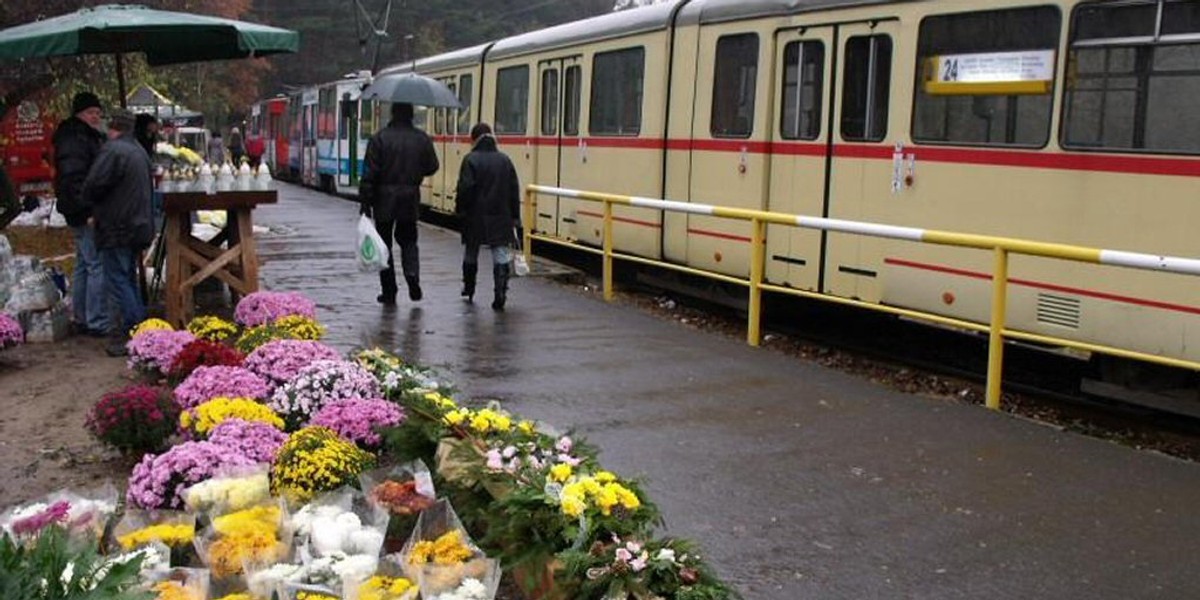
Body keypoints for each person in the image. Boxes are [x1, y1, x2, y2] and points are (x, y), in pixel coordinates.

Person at [80, 110, 154, 356]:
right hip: (138, 224)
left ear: (112, 127)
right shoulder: (139, 151)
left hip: (117, 226)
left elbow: (93, 185)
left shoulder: (112, 151)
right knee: (128, 278)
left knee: (118, 281)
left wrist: (88, 205)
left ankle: (138, 330)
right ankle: (140, 328)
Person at [359, 102, 439, 306]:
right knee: (409, 240)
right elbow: (432, 166)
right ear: (412, 115)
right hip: (410, 197)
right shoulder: (421, 138)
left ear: (392, 114)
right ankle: (412, 275)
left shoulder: (380, 138)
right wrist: (416, 172)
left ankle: (389, 290)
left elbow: (370, 173)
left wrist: (365, 201)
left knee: (383, 245)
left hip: (383, 198)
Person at [52, 91, 108, 337]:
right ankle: (96, 320)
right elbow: (74, 178)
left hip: (76, 208)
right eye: (92, 113)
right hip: (82, 209)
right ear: (80, 114)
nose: (96, 117)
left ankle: (82, 315)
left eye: (98, 112)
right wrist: (86, 210)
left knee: (84, 263)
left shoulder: (78, 135)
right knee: (96, 264)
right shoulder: (76, 138)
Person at [454, 123, 520, 311]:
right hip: (501, 215)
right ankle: (500, 292)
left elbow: (465, 188)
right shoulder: (505, 160)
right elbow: (513, 191)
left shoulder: (470, 160)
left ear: (474, 140)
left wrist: (460, 210)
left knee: (471, 251)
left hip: (475, 215)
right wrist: (515, 217)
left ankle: (469, 287)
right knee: (500, 253)